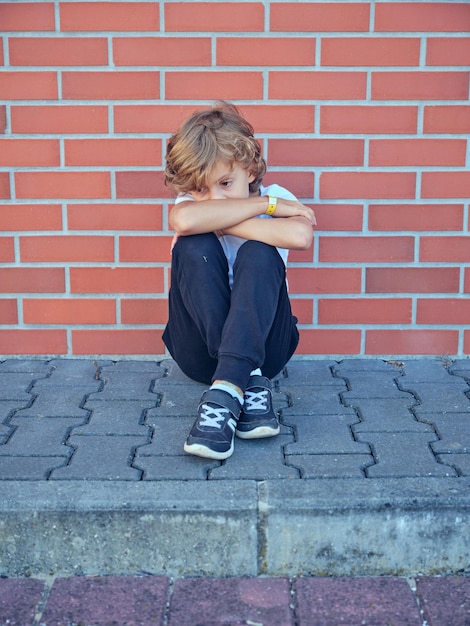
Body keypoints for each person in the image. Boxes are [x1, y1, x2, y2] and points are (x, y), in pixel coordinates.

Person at [163, 101, 316, 460]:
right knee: (193, 245)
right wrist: (266, 207)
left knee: (259, 251)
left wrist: (223, 217)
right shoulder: (266, 203)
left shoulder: (277, 194)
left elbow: (301, 236)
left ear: (249, 169)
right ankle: (245, 384)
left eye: (226, 183)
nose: (214, 197)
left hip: (268, 348)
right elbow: (185, 222)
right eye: (202, 190)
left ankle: (227, 390)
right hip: (199, 353)